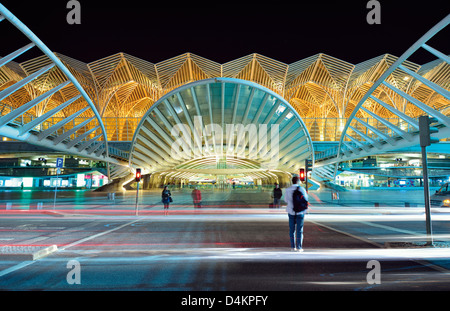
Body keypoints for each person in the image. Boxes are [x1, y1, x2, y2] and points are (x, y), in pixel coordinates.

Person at [285, 176, 308, 252]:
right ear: (298, 181)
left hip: (291, 212)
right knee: (299, 230)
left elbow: (285, 200)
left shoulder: (288, 190)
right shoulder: (302, 189)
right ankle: (299, 247)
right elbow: (305, 200)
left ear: (292, 181)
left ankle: (292, 247)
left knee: (292, 230)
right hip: (300, 212)